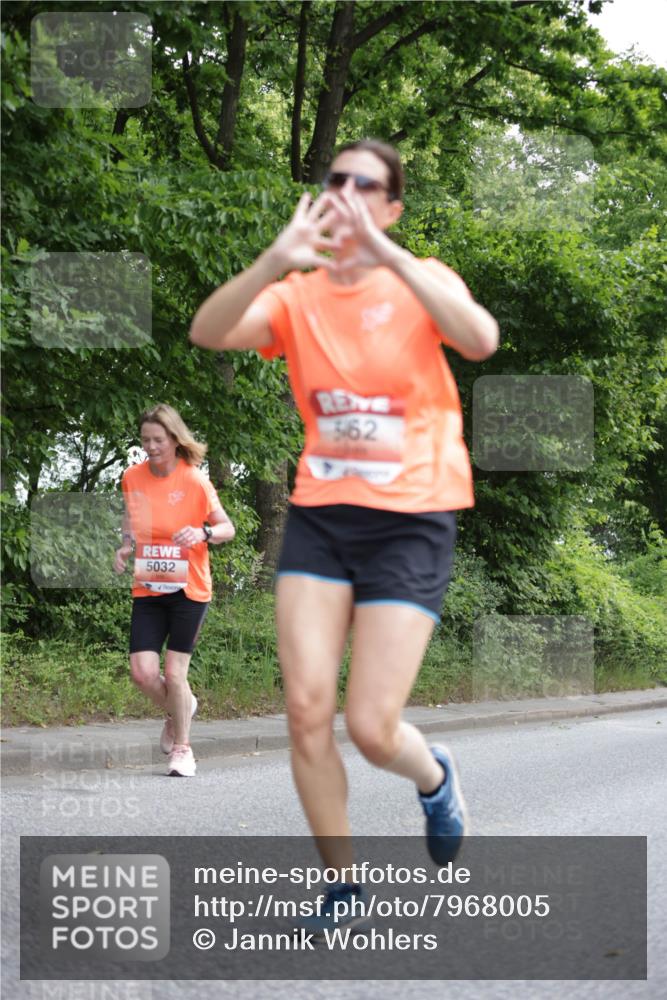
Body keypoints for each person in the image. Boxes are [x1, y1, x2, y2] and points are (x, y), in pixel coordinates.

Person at [190, 139, 499, 924]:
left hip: (411, 519)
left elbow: (479, 340)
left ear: (391, 207)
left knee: (369, 726)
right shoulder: (296, 296)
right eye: (337, 180)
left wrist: (389, 257)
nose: (348, 192)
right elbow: (208, 331)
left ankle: (433, 777)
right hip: (322, 518)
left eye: (367, 185)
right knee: (304, 709)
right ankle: (343, 886)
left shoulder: (422, 279)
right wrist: (274, 258)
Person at [114, 404, 235, 777]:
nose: (151, 447)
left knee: (175, 672)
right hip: (149, 586)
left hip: (189, 588)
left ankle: (183, 749)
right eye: (145, 439)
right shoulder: (132, 477)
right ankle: (181, 706)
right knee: (142, 673)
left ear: (175, 439)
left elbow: (227, 528)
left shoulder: (194, 480)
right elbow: (130, 517)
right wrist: (125, 545)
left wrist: (203, 532)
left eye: (158, 440)